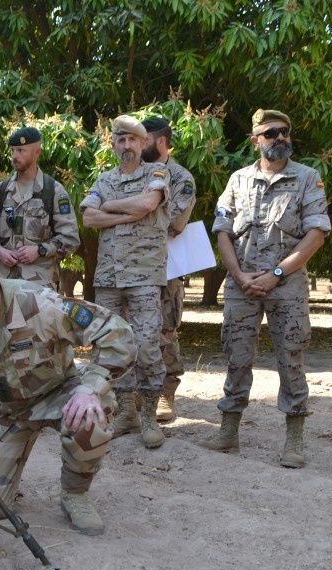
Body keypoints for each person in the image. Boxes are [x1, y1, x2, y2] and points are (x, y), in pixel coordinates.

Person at [0, 247, 136, 536]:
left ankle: (75, 494)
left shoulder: (41, 304)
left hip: (57, 395)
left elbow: (117, 333)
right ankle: (9, 466)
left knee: (91, 413)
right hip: (4, 410)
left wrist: (90, 387)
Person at [201, 109, 330, 468]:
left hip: (286, 285)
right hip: (241, 285)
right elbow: (223, 233)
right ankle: (228, 431)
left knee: (291, 358)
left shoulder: (307, 178)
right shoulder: (238, 180)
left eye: (284, 131)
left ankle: (294, 440)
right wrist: (239, 275)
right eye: (271, 133)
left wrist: (275, 274)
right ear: (255, 140)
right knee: (237, 356)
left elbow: (316, 235)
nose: (280, 138)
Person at [80, 114, 171, 449]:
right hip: (108, 277)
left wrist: (111, 206)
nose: (127, 145)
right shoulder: (103, 179)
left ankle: (149, 415)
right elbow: (89, 217)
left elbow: (149, 203)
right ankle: (126, 412)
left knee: (147, 345)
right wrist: (128, 213)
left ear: (143, 143)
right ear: (114, 145)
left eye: (133, 139)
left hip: (144, 275)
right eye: (121, 140)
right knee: (111, 345)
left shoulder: (157, 173)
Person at [140, 116, 197, 423]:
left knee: (164, 330)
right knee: (135, 329)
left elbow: (174, 222)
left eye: (144, 139)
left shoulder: (181, 178)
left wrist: (132, 213)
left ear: (161, 141)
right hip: (132, 266)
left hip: (166, 267)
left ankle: (166, 392)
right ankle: (138, 392)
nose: (137, 145)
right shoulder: (132, 173)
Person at [0, 126, 80, 288]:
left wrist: (40, 250)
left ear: (37, 152)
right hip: (3, 281)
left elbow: (70, 238)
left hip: (40, 283)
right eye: (12, 151)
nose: (14, 156)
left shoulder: (53, 191)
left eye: (21, 151)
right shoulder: (1, 191)